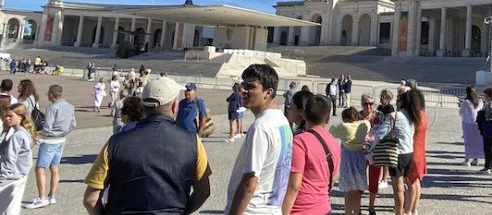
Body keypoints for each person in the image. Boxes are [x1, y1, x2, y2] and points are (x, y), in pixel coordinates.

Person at [83, 77, 211, 214]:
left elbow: (90, 199)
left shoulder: (115, 143)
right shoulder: (192, 142)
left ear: (143, 106)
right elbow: (203, 191)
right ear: (174, 106)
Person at [225, 64, 293, 215]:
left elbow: (250, 182)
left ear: (268, 92)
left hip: (252, 210)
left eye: (250, 86)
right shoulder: (282, 121)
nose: (243, 90)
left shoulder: (261, 127)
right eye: (243, 84)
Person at [282, 95, 340, 215]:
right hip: (324, 207)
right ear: (328, 118)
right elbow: (333, 179)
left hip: (301, 209)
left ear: (303, 115)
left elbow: (294, 185)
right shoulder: (333, 142)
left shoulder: (300, 141)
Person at [26, 85, 76, 209]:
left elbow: (47, 128)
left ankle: (42, 197)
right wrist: (62, 132)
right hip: (62, 140)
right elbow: (73, 124)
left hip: (50, 141)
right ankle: (51, 196)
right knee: (54, 167)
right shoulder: (70, 106)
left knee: (40, 168)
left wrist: (37, 135)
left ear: (52, 95)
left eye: (48, 94)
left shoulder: (52, 108)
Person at [372, 91, 416, 215]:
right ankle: (407, 210)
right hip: (409, 152)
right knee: (406, 184)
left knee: (398, 189)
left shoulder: (395, 115)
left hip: (397, 153)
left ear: (401, 102)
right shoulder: (412, 116)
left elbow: (381, 132)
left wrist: (372, 147)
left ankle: (399, 212)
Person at [330, 107, 370, 215]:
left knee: (348, 192)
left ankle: (348, 213)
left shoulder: (344, 127)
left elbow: (332, 131)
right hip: (360, 158)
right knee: (357, 192)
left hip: (348, 160)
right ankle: (357, 213)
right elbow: (367, 121)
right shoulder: (365, 125)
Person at [0, 103, 36, 214]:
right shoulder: (23, 132)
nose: (7, 118)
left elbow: (9, 161)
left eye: (10, 116)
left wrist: (1, 179)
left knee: (7, 210)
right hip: (20, 176)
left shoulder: (17, 136)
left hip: (11, 178)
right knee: (12, 209)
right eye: (6, 116)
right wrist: (5, 131)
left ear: (20, 117)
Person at [405, 89, 428, 215]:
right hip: (420, 151)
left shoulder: (414, 117)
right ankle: (414, 209)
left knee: (411, 184)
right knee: (416, 183)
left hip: (413, 151)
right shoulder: (423, 114)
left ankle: (408, 210)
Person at [359, 94, 382, 215]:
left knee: (374, 179)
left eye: (371, 104)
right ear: (361, 104)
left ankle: (371, 206)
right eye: (365, 104)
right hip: (360, 152)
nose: (368, 106)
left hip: (375, 151)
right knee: (360, 179)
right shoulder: (357, 116)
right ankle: (358, 206)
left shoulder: (379, 115)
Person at [477, 87, 492, 174]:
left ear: (489, 96)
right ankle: (491, 166)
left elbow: (489, 115)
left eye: (485, 95)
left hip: (489, 128)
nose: (484, 97)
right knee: (490, 147)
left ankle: (489, 166)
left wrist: (482, 113)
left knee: (488, 148)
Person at [459, 86, 483, 166]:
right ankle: (475, 159)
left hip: (467, 123)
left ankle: (467, 159)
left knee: (468, 141)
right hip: (477, 123)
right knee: (476, 141)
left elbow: (461, 112)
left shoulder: (466, 102)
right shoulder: (480, 101)